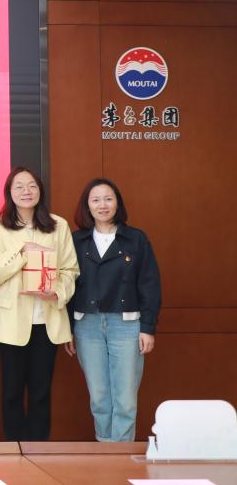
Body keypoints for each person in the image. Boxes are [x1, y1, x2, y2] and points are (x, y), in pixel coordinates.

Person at [66, 178, 161, 442]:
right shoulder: (76, 240)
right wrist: (67, 329)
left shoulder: (136, 239)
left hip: (127, 325)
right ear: (87, 206)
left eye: (108, 199)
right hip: (87, 326)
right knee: (99, 397)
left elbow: (150, 284)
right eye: (95, 200)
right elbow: (67, 285)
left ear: (117, 203)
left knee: (125, 398)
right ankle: (104, 451)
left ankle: (120, 455)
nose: (102, 205)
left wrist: (148, 328)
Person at [0, 166, 79, 441]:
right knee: (12, 391)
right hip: (12, 321)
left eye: (32, 186)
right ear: (9, 193)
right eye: (19, 186)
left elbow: (70, 270)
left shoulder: (58, 225)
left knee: (41, 392)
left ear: (40, 191)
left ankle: (39, 450)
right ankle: (14, 447)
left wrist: (57, 292)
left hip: (47, 320)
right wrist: (23, 251)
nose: (26, 191)